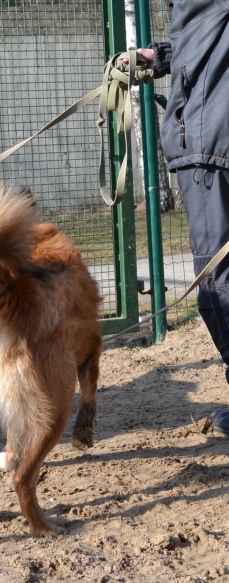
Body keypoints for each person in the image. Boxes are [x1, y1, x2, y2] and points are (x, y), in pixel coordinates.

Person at [136, 0, 229, 434]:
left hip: (208, 145)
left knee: (215, 280)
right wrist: (161, 57)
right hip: (207, 137)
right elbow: (208, 39)